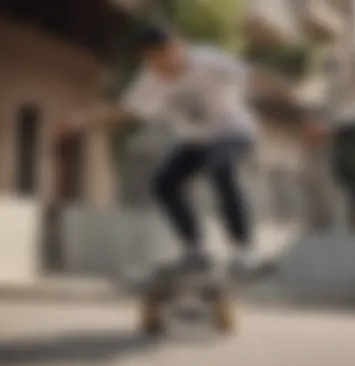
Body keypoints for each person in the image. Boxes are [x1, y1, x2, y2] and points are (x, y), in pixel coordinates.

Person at [59, 24, 295, 276]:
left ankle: (245, 250)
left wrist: (298, 112)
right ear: (147, 59)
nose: (164, 66)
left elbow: (256, 78)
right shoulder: (149, 81)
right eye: (155, 60)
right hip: (195, 141)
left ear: (179, 47)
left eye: (167, 56)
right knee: (163, 183)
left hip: (233, 132)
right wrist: (81, 121)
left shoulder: (209, 60)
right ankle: (196, 250)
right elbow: (124, 111)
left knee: (221, 169)